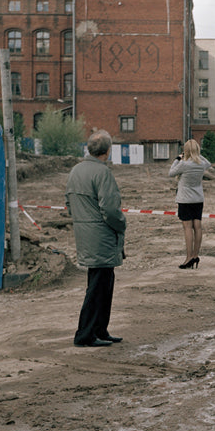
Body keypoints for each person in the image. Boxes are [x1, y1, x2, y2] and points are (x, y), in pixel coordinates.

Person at [65, 130, 126, 347]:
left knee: (103, 284)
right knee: (98, 287)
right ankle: (86, 334)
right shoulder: (102, 173)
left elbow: (69, 202)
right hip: (101, 235)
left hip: (86, 234)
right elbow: (110, 209)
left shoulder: (76, 170)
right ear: (108, 151)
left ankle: (100, 329)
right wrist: (122, 224)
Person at [168, 139, 213, 269]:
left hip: (185, 199)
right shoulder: (201, 164)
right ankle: (195, 255)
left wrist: (177, 158)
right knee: (197, 227)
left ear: (186, 151)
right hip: (198, 198)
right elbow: (208, 163)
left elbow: (171, 173)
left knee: (188, 228)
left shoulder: (184, 164)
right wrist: (198, 154)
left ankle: (188, 258)